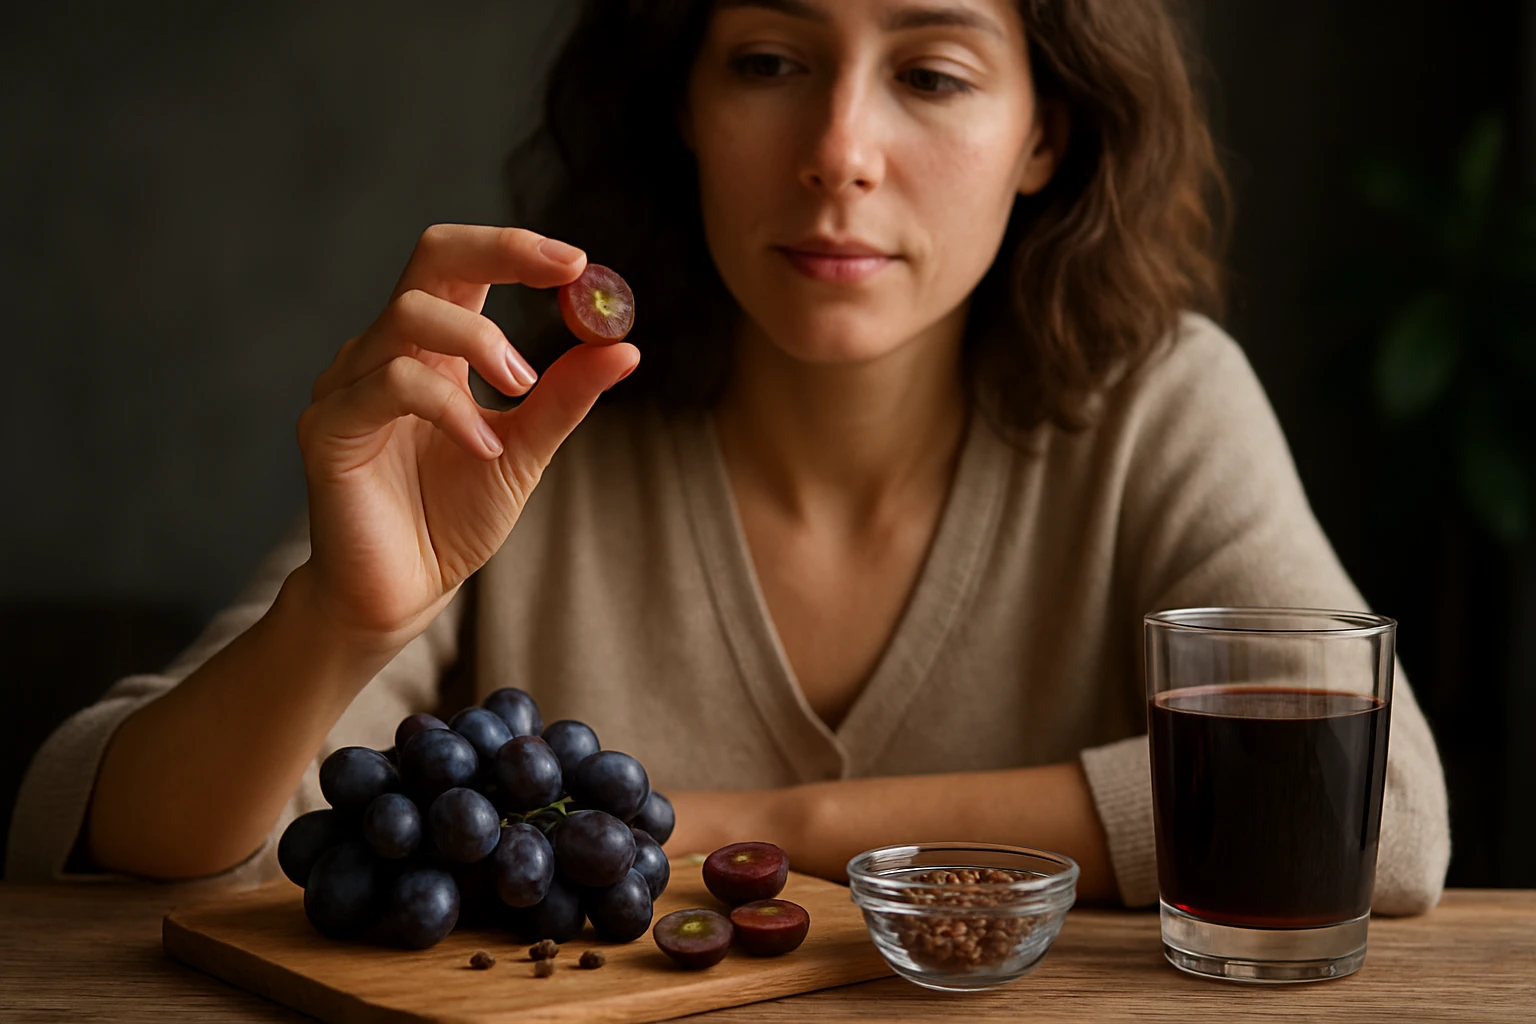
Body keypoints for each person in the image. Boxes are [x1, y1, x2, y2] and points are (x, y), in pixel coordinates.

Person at [8, 0, 1449, 913]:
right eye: (769, 60)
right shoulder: (516, 424)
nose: (837, 149)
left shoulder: (1160, 405)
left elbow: (1372, 812)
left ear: (1043, 137)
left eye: (933, 73)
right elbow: (94, 824)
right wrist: (341, 619)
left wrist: (772, 825)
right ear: (686, 107)